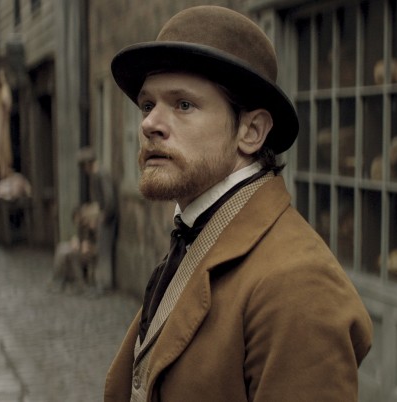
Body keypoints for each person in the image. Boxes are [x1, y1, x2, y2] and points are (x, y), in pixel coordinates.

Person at [105, 6, 372, 402]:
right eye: (147, 105)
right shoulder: (198, 233)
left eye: (183, 104)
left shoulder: (298, 284)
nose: (149, 124)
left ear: (251, 131)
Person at [77, 147, 117, 293]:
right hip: (101, 217)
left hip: (106, 219)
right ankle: (100, 283)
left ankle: (104, 284)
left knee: (104, 252)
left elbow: (109, 200)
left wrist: (103, 216)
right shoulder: (96, 175)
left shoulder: (101, 174)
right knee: (100, 251)